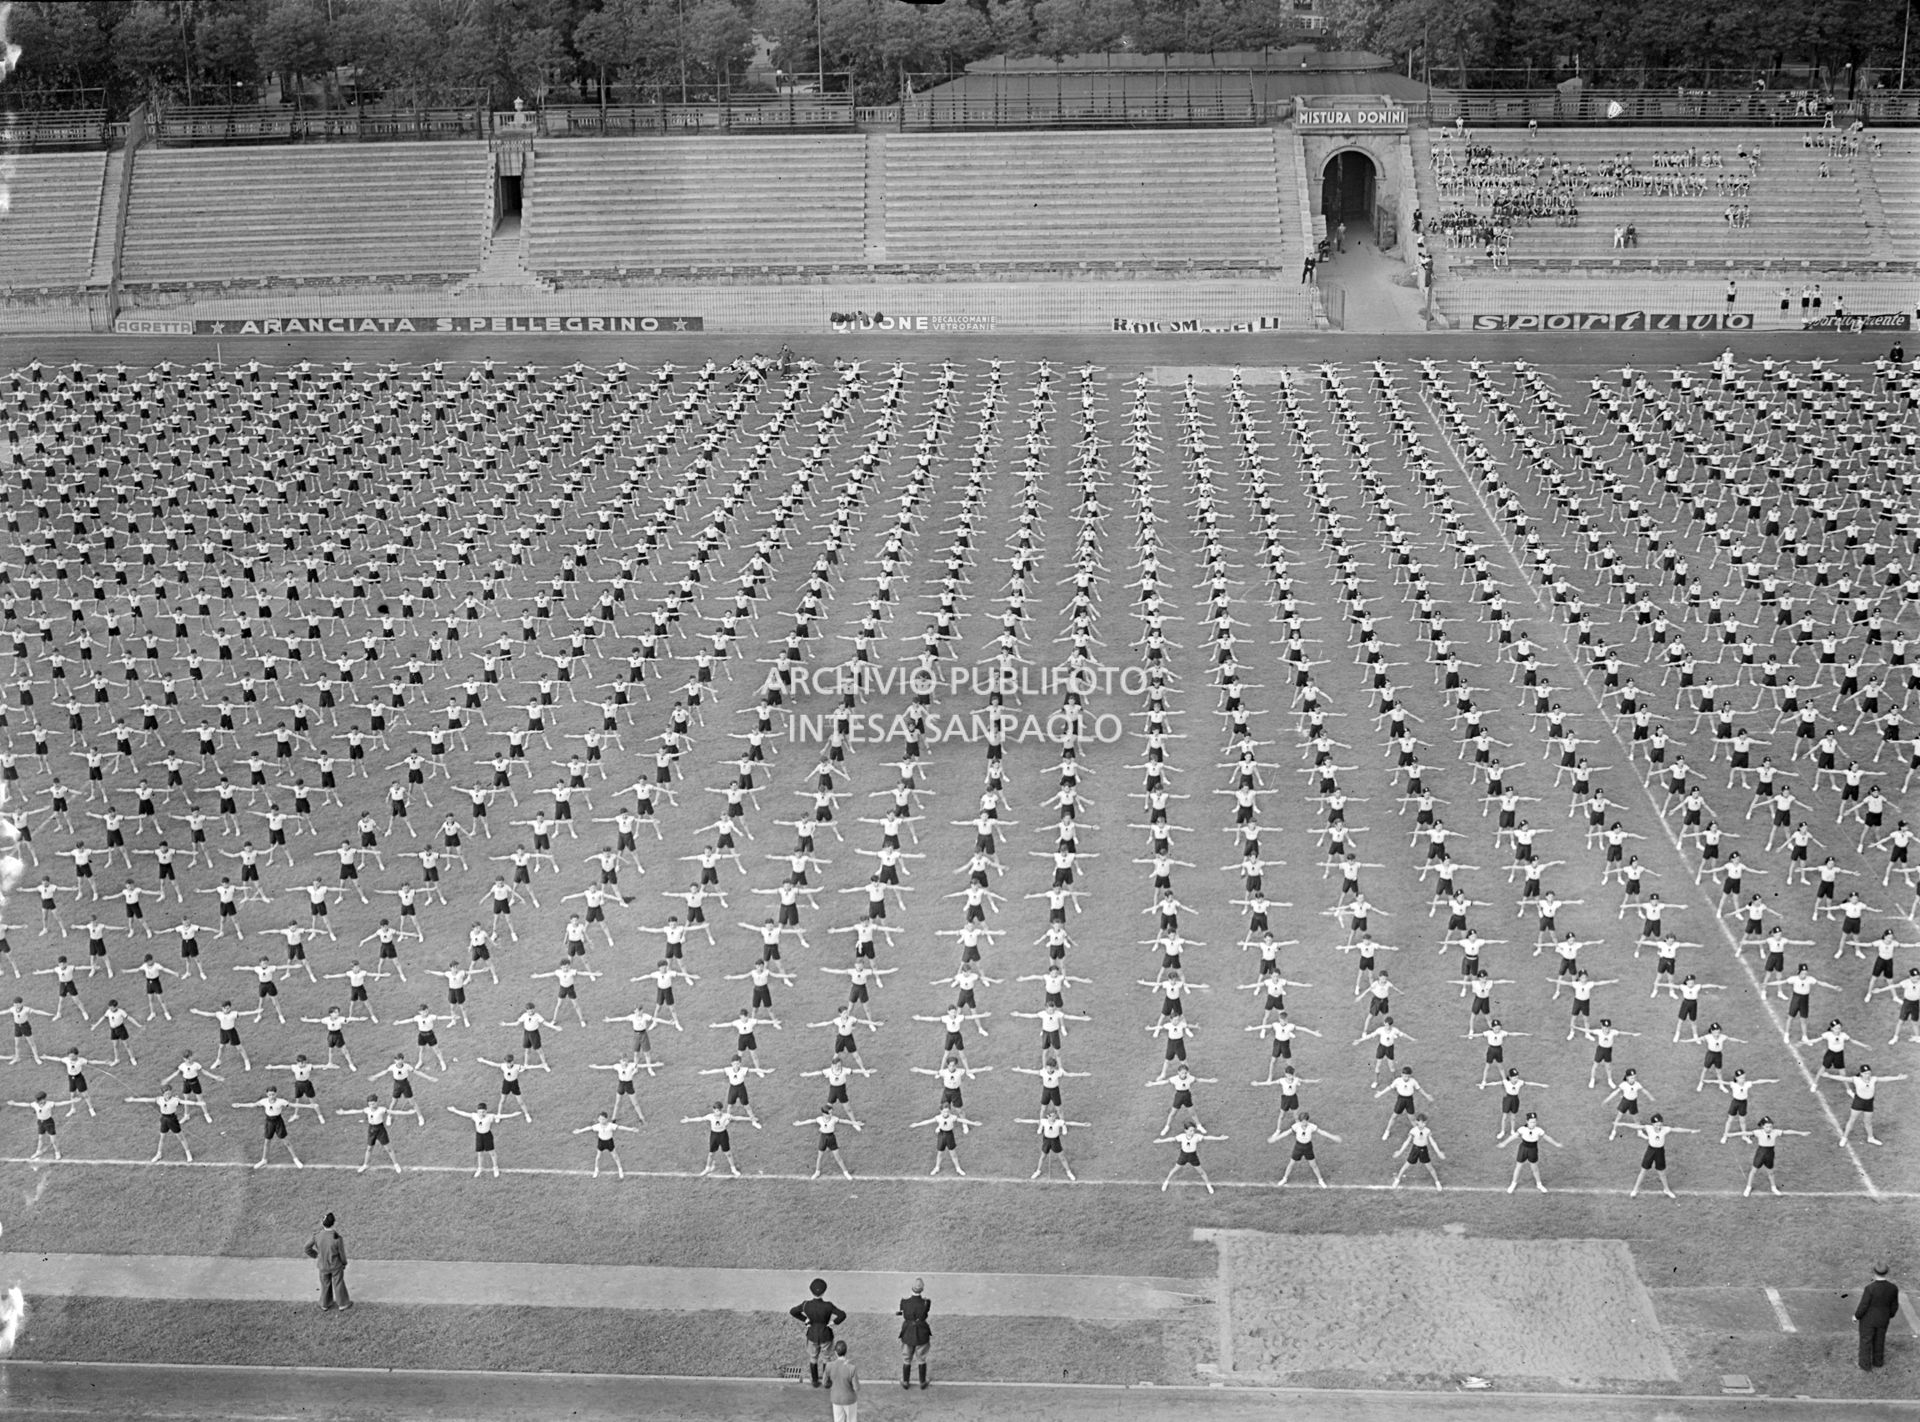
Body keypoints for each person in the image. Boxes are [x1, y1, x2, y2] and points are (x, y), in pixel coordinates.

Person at [791, 1276, 846, 1388]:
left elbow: (793, 1311)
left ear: (811, 1290)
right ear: (824, 1291)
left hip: (812, 1334)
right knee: (826, 1358)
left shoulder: (806, 1305)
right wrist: (833, 1323)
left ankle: (815, 1381)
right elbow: (842, 1315)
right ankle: (826, 1382)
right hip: (826, 1334)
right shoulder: (828, 1306)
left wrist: (805, 1319)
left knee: (813, 1357)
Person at [1855, 1262, 1900, 1370]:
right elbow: (1894, 1305)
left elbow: (1864, 1305)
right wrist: (1889, 1315)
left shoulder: (1870, 1288)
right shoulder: (1893, 1288)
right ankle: (1878, 1362)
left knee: (1866, 1341)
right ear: (1887, 1272)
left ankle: (1865, 1365)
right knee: (1880, 1340)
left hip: (1868, 1320)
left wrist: (1856, 1316)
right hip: (1883, 1319)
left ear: (1874, 1272)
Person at [304, 1211, 350, 1310]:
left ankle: (325, 1304)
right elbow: (342, 1254)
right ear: (334, 1223)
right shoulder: (338, 1238)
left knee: (325, 1284)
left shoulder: (316, 1236)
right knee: (338, 1283)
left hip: (323, 1265)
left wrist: (316, 1255)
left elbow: (307, 1248)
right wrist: (344, 1263)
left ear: (322, 1223)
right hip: (336, 1266)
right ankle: (343, 1304)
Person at [898, 1277, 932, 1390]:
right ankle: (922, 1382)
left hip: (908, 1332)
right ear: (922, 1289)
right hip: (922, 1332)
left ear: (912, 1288)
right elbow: (925, 1312)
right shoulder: (926, 1302)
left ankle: (905, 1381)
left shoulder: (904, 1302)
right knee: (921, 1358)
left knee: (906, 1358)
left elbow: (902, 1312)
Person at [825, 1338, 859, 1422]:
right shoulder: (851, 1368)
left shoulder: (829, 1366)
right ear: (846, 1351)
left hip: (836, 1398)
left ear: (835, 1352)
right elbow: (856, 1388)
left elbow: (825, 1383)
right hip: (849, 1399)